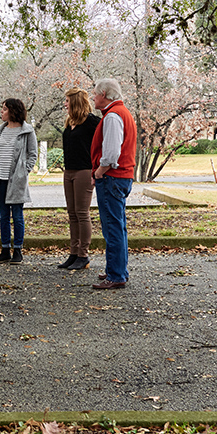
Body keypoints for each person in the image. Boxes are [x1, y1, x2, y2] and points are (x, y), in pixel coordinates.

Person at [90, 79, 136, 290]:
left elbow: (110, 154)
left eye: (95, 94)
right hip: (122, 176)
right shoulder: (122, 113)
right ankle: (117, 270)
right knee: (118, 225)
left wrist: (99, 172)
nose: (93, 97)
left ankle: (116, 275)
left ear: (105, 94)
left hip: (113, 177)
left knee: (112, 227)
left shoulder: (112, 116)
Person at [0, 98, 38, 265]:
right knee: (3, 216)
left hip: (17, 181)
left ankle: (18, 250)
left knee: (18, 216)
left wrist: (24, 171)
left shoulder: (27, 131)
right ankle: (5, 249)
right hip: (0, 180)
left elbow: (32, 154)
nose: (2, 112)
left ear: (13, 111)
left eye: (5, 109)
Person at [58, 88, 101, 270]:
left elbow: (104, 143)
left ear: (75, 101)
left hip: (84, 170)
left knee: (82, 213)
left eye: (67, 101)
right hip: (69, 171)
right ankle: (73, 253)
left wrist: (98, 168)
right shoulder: (70, 122)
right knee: (72, 213)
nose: (65, 104)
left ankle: (83, 254)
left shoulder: (92, 122)